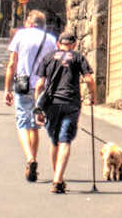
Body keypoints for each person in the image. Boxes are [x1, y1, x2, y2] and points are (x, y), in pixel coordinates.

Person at [32, 30, 96, 194]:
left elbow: (39, 85)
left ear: (58, 44)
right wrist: (93, 96)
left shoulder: (48, 58)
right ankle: (58, 180)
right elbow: (89, 79)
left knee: (55, 142)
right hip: (71, 103)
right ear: (74, 44)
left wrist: (38, 108)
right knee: (65, 141)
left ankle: (58, 178)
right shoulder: (78, 57)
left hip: (51, 104)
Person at [1, 10, 58, 183]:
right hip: (42, 87)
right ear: (43, 25)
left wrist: (7, 89)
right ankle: (32, 162)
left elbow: (12, 64)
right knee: (34, 126)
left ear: (29, 23)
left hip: (23, 85)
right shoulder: (51, 40)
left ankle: (30, 159)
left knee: (22, 123)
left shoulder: (20, 36)